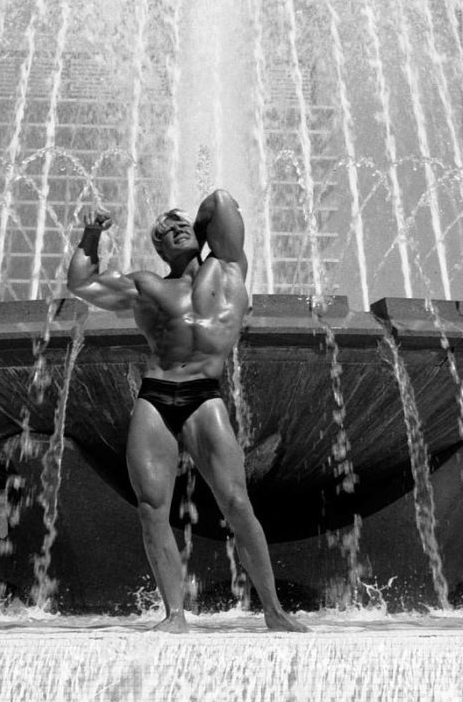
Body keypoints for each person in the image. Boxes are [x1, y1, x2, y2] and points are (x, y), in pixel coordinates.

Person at [67, 189, 308, 632]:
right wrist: (91, 234)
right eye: (164, 232)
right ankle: (174, 614)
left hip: (205, 396)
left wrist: (188, 228)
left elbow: (221, 200)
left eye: (180, 225)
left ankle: (274, 611)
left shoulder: (228, 267)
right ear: (158, 249)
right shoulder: (147, 285)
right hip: (156, 395)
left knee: (236, 502)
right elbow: (82, 284)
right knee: (151, 506)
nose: (174, 230)